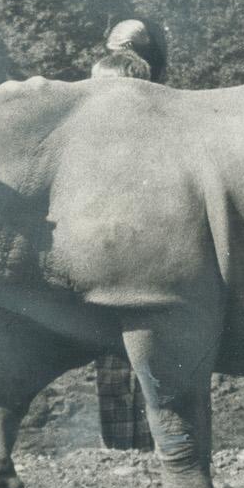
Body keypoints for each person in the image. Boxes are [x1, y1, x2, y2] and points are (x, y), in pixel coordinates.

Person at [86, 46, 156, 451]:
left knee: (153, 365)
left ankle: (152, 450)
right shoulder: (89, 147)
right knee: (112, 370)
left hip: (148, 274)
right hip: (108, 272)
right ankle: (116, 452)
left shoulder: (155, 143)